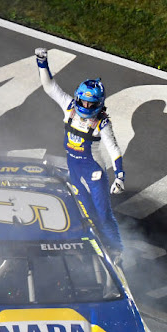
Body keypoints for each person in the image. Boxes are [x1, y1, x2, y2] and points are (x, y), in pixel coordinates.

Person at [34, 47, 124, 257]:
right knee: (83, 213)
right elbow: (50, 87)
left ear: (98, 104)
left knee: (103, 215)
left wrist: (120, 176)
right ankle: (92, 250)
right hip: (74, 168)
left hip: (94, 172)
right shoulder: (69, 107)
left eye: (89, 103)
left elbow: (114, 149)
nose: (84, 105)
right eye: (82, 101)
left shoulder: (102, 122)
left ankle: (117, 251)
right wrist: (41, 62)